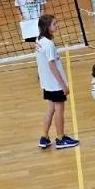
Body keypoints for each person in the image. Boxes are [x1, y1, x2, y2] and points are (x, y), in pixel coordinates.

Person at [32, 14, 80, 150]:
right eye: (55, 24)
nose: (57, 25)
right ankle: (60, 138)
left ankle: (44, 137)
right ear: (47, 27)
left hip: (47, 83)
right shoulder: (48, 44)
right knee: (59, 110)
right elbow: (52, 66)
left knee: (51, 109)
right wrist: (63, 85)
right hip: (54, 84)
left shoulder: (39, 39)